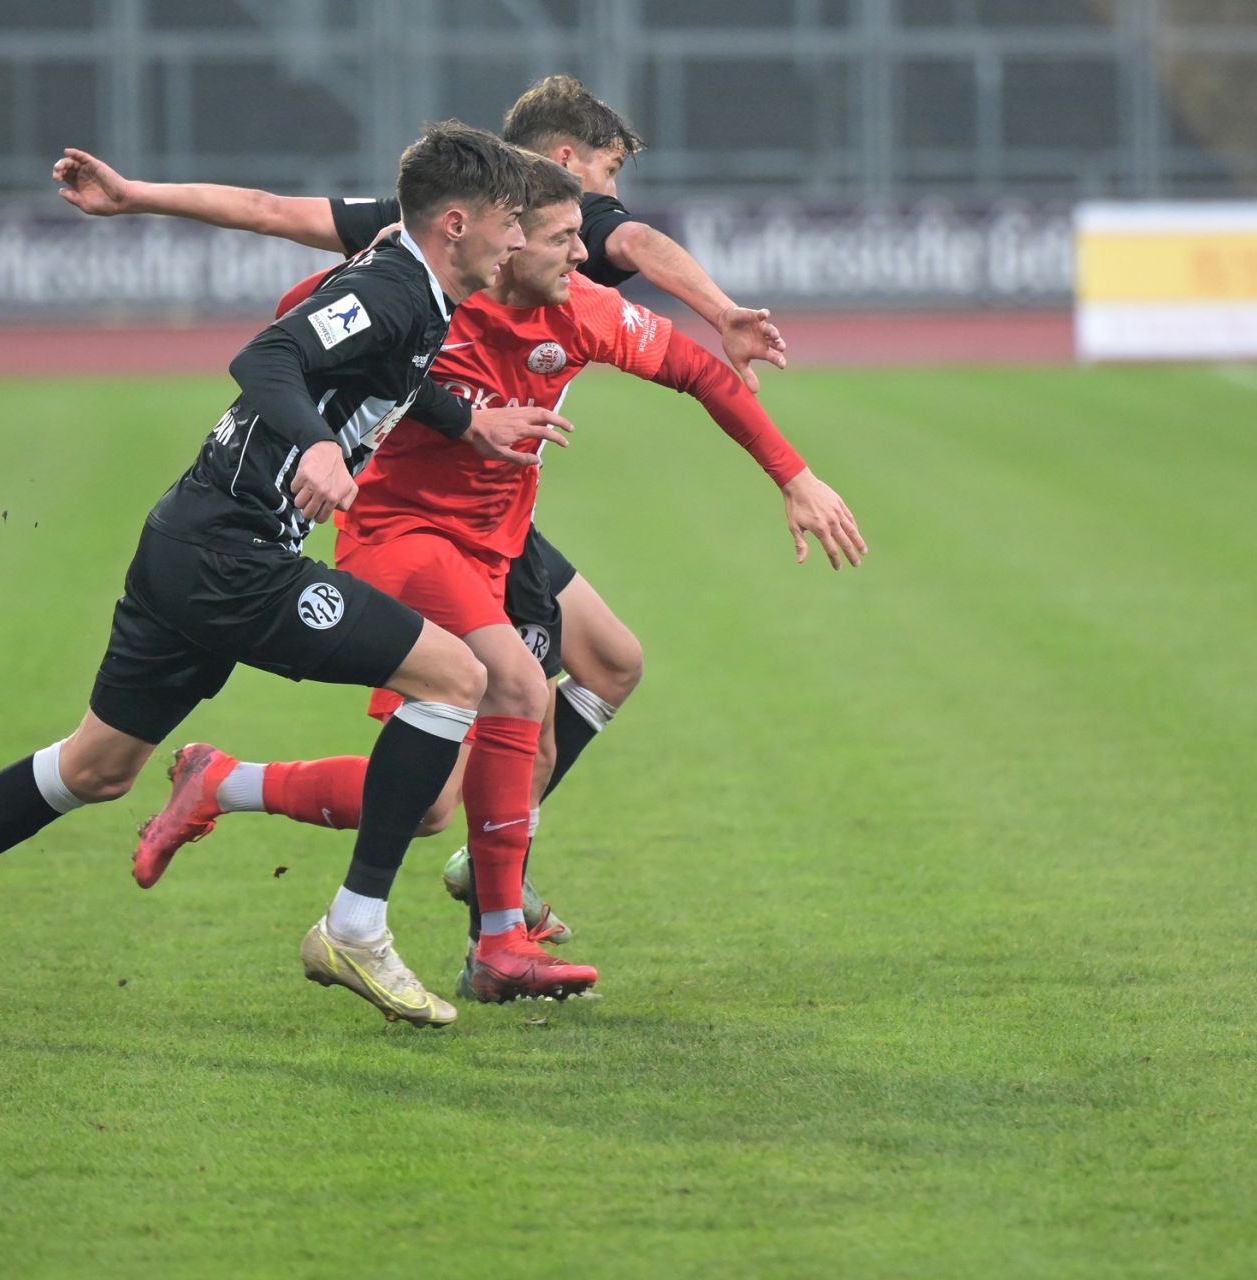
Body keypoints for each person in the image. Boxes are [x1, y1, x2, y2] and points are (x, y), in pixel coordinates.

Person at [0, 122, 567, 1033]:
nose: (520, 240)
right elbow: (267, 358)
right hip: (234, 553)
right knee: (459, 675)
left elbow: (385, 376)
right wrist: (320, 444)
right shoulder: (391, 287)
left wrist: (467, 423)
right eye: (508, 222)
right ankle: (355, 929)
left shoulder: (416, 283)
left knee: (96, 768)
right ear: (457, 223)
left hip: (188, 539)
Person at [52, 75, 794, 934]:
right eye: (610, 167)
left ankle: (493, 879)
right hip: (415, 520)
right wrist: (137, 196)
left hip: (498, 523)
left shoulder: (542, 235)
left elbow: (272, 213)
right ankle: (469, 898)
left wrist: (725, 323)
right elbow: (275, 232)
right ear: (561, 164)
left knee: (607, 664)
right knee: (489, 740)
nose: (605, 209)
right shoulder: (449, 229)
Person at [132, 159, 865, 1002]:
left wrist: (794, 476)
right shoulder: (427, 296)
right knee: (511, 697)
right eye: (564, 238)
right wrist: (422, 400)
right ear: (505, 238)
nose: (583, 256)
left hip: (498, 544)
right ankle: (492, 932)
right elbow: (296, 318)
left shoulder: (581, 309)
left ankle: (251, 792)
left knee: (601, 671)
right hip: (400, 532)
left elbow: (698, 373)